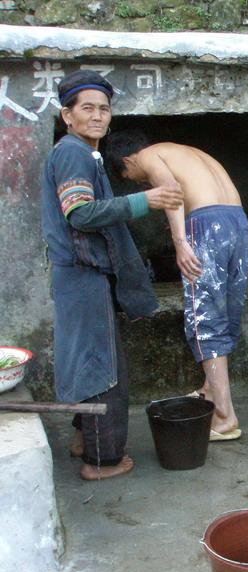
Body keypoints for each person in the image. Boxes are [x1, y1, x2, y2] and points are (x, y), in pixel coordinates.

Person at [41, 71, 184, 480]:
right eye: (87, 108)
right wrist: (146, 199)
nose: (98, 116)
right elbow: (81, 214)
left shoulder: (85, 154)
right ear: (67, 114)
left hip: (79, 278)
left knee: (86, 360)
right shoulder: (73, 153)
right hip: (83, 276)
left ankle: (83, 438)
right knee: (104, 370)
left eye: (104, 108)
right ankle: (101, 460)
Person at [105, 131, 248, 441]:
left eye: (129, 177)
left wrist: (180, 243)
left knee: (204, 319)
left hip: (206, 223)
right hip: (237, 222)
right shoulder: (186, 151)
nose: (137, 182)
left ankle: (224, 416)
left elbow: (171, 193)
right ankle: (211, 389)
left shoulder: (148, 156)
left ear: (127, 160)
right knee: (225, 310)